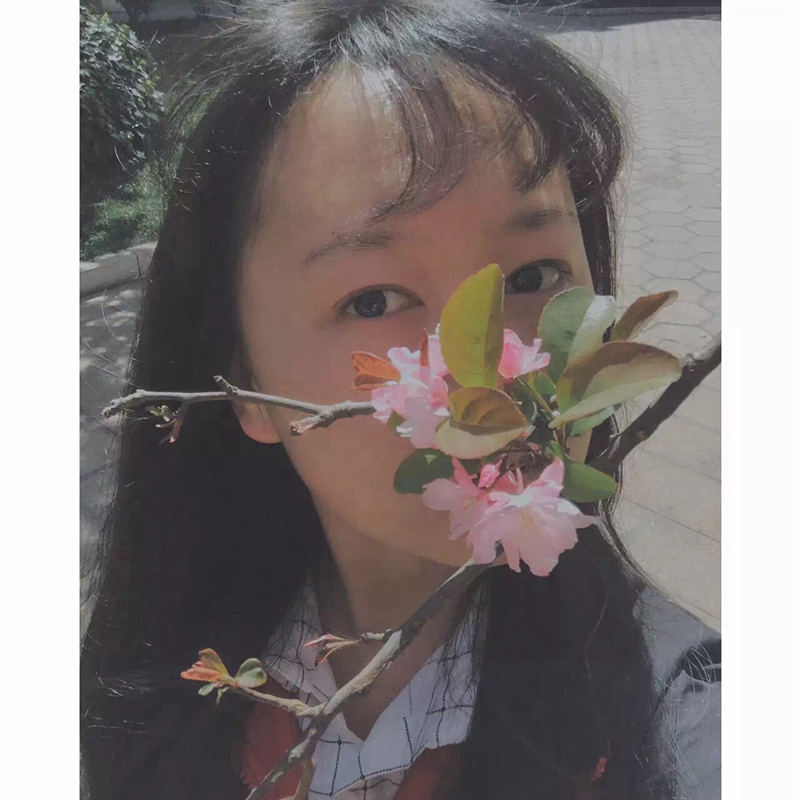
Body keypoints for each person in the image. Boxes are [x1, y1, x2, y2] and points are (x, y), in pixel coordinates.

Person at [80, 1, 721, 798]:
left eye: (533, 276)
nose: (481, 377)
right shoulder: (155, 689)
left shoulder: (683, 714)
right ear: (244, 385)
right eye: (375, 300)